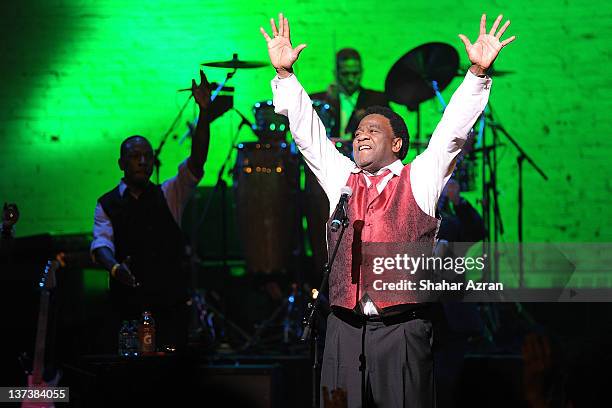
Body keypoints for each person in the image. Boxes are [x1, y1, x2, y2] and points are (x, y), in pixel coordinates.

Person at [260, 12, 515, 407]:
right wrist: (286, 77)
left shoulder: (420, 178)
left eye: (373, 130)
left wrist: (478, 72)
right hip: (343, 327)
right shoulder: (342, 178)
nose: (361, 134)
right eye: (359, 131)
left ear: (397, 144)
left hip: (401, 329)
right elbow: (308, 134)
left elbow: (451, 133)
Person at [90, 70, 212, 351]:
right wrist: (115, 268)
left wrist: (203, 113)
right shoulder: (106, 203)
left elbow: (197, 161)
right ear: (121, 163)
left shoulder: (169, 193)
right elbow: (101, 244)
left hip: (169, 307)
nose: (143, 162)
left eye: (147, 157)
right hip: (128, 309)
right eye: (135, 157)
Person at [312, 48, 389, 140]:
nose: (350, 79)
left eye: (355, 74)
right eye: (345, 74)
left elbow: (390, 130)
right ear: (335, 73)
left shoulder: (378, 100)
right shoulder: (317, 99)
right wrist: (329, 101)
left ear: (362, 72)